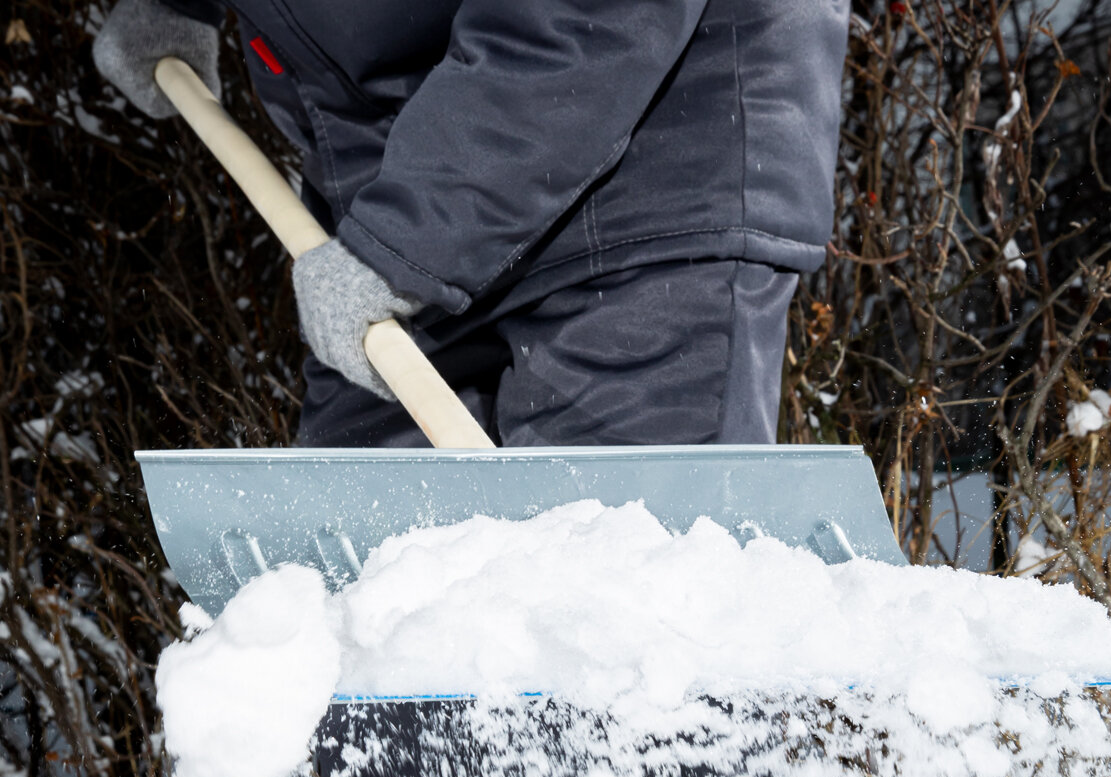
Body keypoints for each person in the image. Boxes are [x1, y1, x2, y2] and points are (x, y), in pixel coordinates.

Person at [93, 0, 848, 450]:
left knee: (616, 632)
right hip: (403, 163)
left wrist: (405, 245)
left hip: (652, 170)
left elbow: (585, 19)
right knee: (365, 619)